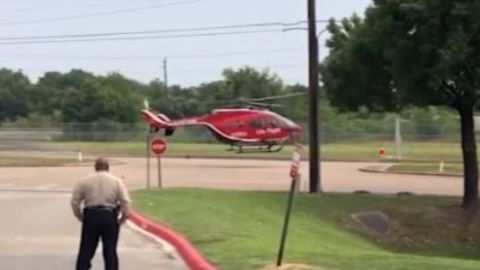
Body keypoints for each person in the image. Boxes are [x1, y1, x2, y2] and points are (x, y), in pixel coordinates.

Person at [71, 157, 131, 270]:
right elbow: (125, 201)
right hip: (109, 216)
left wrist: (80, 216)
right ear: (108, 167)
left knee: (86, 250)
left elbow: (75, 201)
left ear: (95, 167)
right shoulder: (116, 181)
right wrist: (122, 219)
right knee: (110, 251)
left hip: (91, 215)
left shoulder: (85, 180)